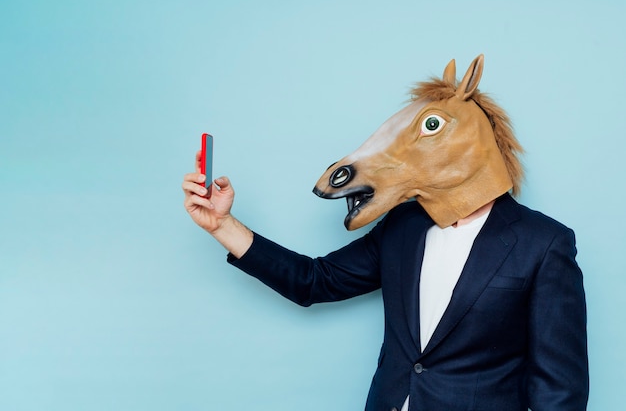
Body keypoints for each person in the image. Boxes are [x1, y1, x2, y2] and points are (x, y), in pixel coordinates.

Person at [182, 56, 589, 410]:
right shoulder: (404, 226)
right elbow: (313, 281)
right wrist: (223, 225)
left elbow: (560, 388)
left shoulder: (544, 244)